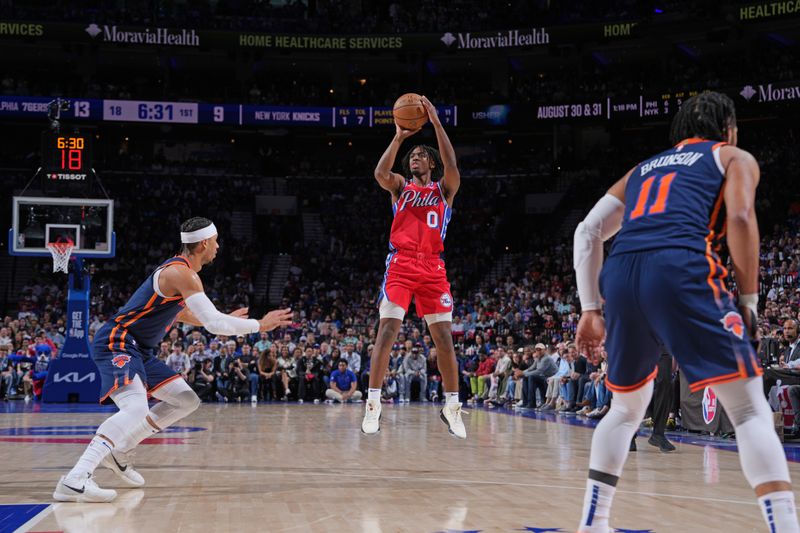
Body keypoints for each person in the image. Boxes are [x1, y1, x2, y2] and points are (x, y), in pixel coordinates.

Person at [572, 92, 798, 531]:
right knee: (749, 409)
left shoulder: (642, 169)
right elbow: (741, 217)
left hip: (621, 273)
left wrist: (589, 308)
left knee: (624, 409)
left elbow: (588, 231)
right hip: (678, 265)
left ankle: (593, 524)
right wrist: (749, 301)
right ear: (729, 128)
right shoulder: (732, 156)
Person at [54, 217, 292, 503]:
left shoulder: (181, 273)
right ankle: (76, 478)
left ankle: (120, 452)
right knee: (135, 408)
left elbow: (183, 314)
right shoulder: (181, 273)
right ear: (204, 243)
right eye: (216, 242)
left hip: (139, 350)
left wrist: (223, 319)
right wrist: (260, 325)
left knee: (186, 400)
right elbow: (214, 323)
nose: (218, 247)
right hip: (118, 340)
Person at [361, 96, 465, 439]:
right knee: (387, 331)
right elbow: (379, 173)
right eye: (412, 157)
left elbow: (452, 163)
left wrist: (436, 123)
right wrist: (399, 136)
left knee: (445, 340)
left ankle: (452, 406)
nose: (415, 159)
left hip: (434, 268)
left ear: (431, 163)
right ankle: (373, 403)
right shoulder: (401, 187)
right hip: (402, 265)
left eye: (421, 155)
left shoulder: (444, 189)